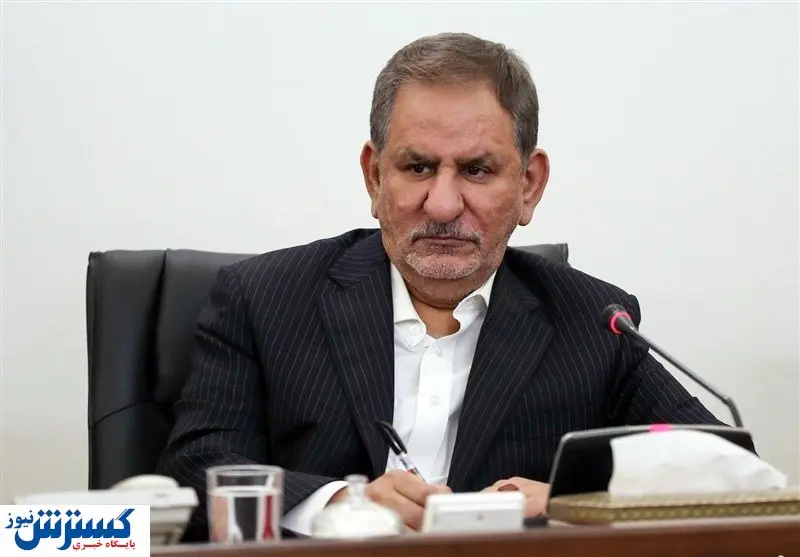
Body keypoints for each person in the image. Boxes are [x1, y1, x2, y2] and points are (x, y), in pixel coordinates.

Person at [157, 32, 722, 541]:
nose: (444, 205)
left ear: (529, 185)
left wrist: (573, 502)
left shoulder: (593, 321)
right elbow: (196, 467)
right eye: (418, 168)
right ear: (374, 177)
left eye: (476, 170)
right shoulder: (266, 299)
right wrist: (341, 504)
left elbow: (723, 469)